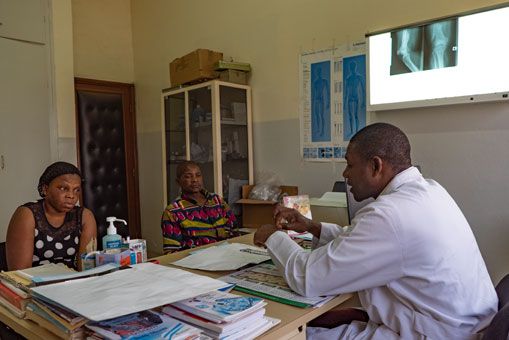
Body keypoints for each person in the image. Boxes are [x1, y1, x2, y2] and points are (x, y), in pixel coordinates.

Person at [254, 123, 497, 339]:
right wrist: (312, 227)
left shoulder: (389, 214)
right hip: (461, 324)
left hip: (438, 333)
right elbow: (371, 242)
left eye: (350, 165)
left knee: (294, 334)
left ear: (375, 166)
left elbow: (307, 278)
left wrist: (271, 236)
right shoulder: (430, 191)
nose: (345, 174)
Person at [6, 162, 97, 271]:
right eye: (63, 188)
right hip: (35, 285)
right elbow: (20, 274)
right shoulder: (27, 215)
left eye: (76, 190)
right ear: (45, 189)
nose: (71, 196)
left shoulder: (85, 217)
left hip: (74, 284)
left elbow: (87, 268)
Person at [161, 161, 237, 253]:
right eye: (188, 176)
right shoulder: (173, 211)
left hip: (226, 253)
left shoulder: (217, 201)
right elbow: (171, 251)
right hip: (195, 261)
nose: (195, 180)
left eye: (198, 175)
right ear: (178, 182)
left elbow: (234, 231)